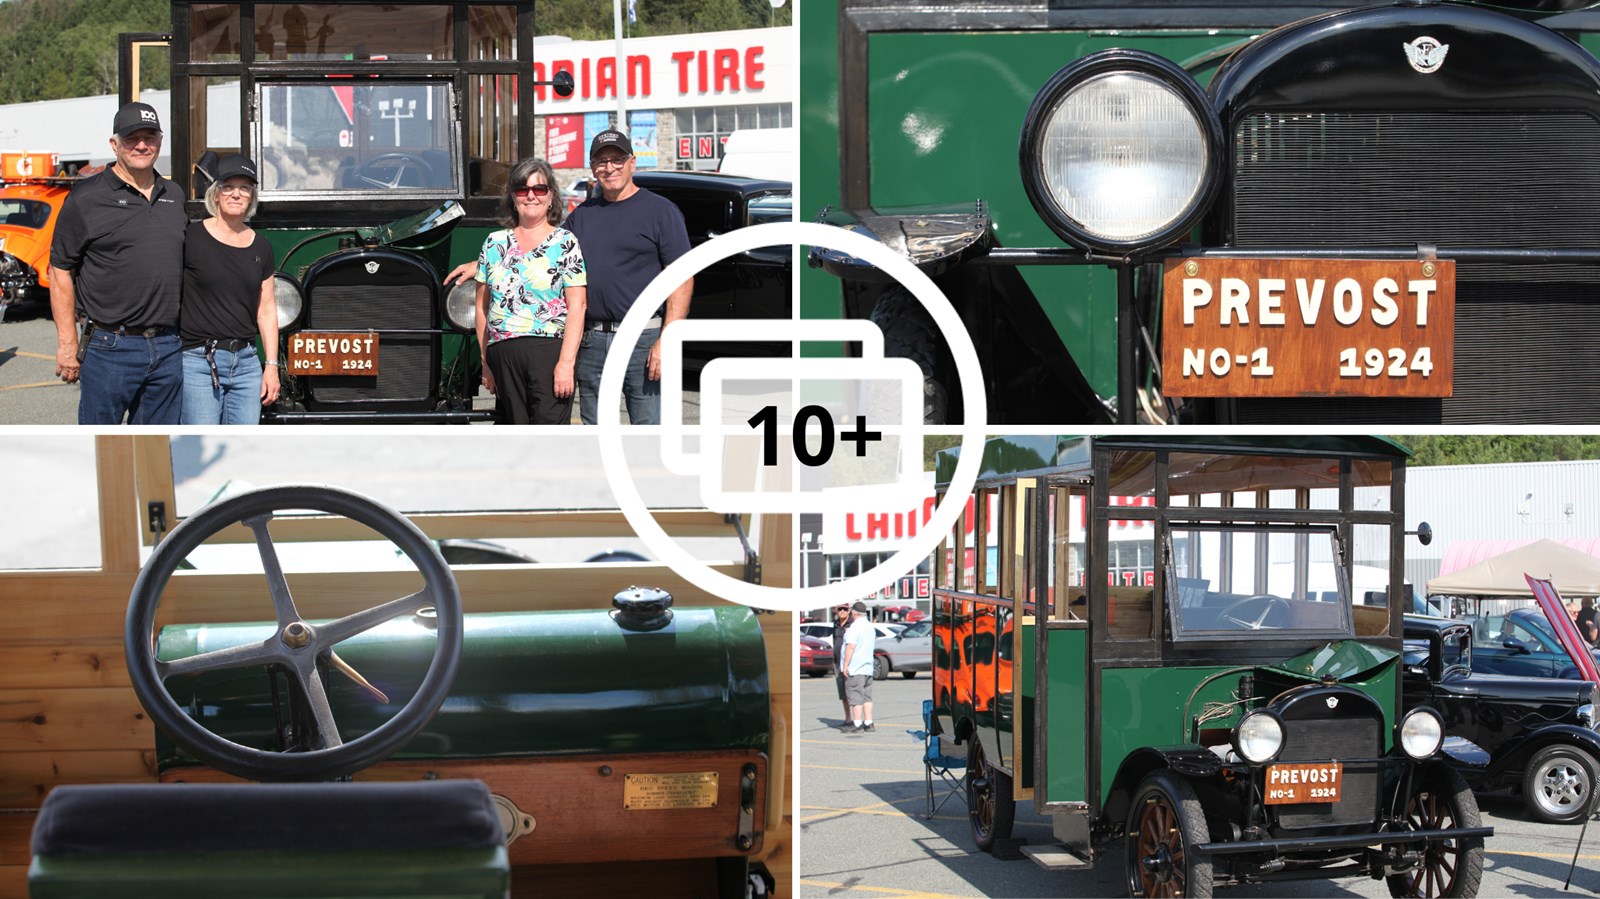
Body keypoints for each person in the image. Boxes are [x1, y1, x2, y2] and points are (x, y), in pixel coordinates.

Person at [50, 102, 187, 424]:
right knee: (103, 444)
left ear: (160, 141)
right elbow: (59, 271)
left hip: (168, 345)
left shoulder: (174, 194)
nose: (141, 145)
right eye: (131, 138)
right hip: (110, 347)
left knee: (155, 447)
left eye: (149, 137)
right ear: (114, 144)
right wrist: (68, 344)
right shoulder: (86, 198)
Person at [563, 129, 692, 425]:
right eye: (602, 161)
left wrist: (667, 340)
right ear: (592, 168)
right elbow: (545, 253)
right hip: (593, 340)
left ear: (632, 162)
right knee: (597, 432)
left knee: (649, 433)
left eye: (617, 159)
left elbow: (682, 278)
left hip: (643, 339)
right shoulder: (581, 216)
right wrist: (482, 264)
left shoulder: (661, 211)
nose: (609, 167)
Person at [474, 158, 586, 424]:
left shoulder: (565, 242)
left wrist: (566, 363)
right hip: (503, 357)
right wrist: (485, 363)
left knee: (548, 436)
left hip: (549, 353)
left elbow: (578, 306)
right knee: (514, 439)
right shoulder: (493, 243)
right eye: (523, 189)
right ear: (513, 197)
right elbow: (481, 307)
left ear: (551, 196)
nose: (531, 196)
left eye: (539, 189)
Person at [179, 155, 280, 424]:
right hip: (199, 361)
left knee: (242, 445)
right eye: (228, 187)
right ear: (215, 193)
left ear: (252, 196)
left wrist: (271, 366)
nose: (236, 194)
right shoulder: (191, 238)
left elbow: (266, 310)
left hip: (246, 364)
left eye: (244, 188)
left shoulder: (262, 246)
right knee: (202, 443)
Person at [840, 601, 877, 734]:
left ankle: (857, 723)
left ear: (853, 613)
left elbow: (851, 646)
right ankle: (868, 722)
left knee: (856, 696)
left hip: (856, 667)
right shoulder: (870, 627)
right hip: (867, 667)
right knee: (867, 697)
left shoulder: (855, 627)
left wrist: (846, 665)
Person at [830, 605, 852, 725]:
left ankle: (858, 719)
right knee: (843, 693)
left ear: (849, 611)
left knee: (854, 692)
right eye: (840, 609)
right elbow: (835, 641)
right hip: (838, 662)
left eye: (845, 609)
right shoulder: (836, 624)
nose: (842, 611)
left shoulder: (853, 624)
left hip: (851, 663)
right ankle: (848, 718)